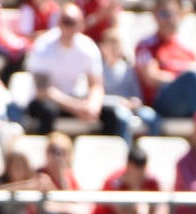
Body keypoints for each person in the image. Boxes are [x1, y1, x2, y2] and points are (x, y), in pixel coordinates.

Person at [25, 3, 132, 144]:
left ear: (81, 24)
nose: (68, 27)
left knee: (111, 114)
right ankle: (46, 157)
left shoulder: (88, 47)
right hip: (46, 101)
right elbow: (43, 91)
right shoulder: (43, 46)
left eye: (72, 22)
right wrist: (78, 108)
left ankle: (101, 156)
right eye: (65, 21)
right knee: (47, 111)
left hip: (73, 99)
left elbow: (96, 85)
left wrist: (93, 106)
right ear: (58, 22)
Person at [134, 0, 196, 125]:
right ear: (155, 16)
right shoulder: (147, 45)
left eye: (174, 14)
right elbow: (150, 77)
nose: (170, 19)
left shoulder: (183, 47)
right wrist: (181, 79)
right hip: (163, 103)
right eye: (165, 14)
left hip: (189, 101)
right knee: (192, 76)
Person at [90, 144, 166, 214]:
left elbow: (157, 211)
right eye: (136, 169)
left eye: (142, 169)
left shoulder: (151, 180)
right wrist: (135, 188)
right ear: (128, 165)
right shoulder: (114, 181)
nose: (139, 174)